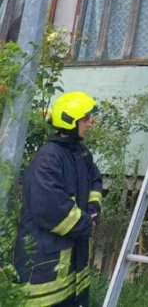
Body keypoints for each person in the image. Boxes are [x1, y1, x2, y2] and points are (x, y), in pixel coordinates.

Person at [13, 91, 103, 307]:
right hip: (45, 263)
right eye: (86, 118)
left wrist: (94, 207)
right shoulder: (48, 157)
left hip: (73, 265)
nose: (91, 122)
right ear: (70, 121)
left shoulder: (81, 153)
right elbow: (50, 208)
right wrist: (85, 223)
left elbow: (95, 181)